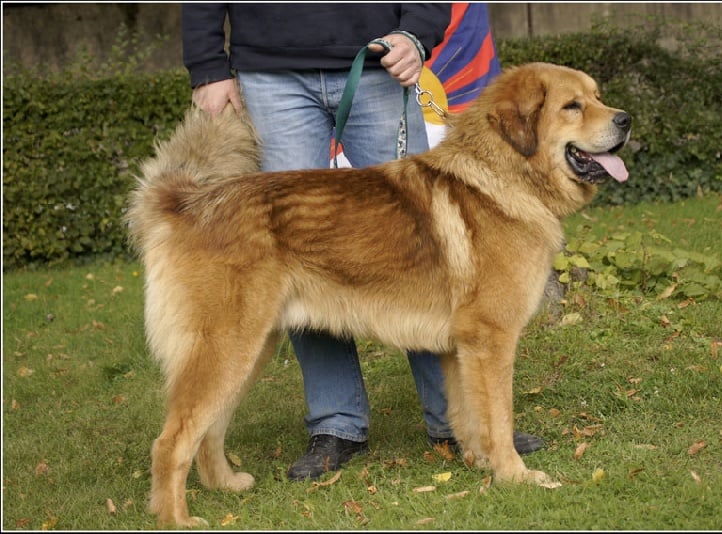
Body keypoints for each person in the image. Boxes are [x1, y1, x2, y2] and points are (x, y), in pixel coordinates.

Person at [181, 3, 543, 482]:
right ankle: (337, 424)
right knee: (300, 259)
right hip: (271, 71)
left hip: (382, 61)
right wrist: (208, 66)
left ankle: (466, 426)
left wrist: (416, 33)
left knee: (430, 252)